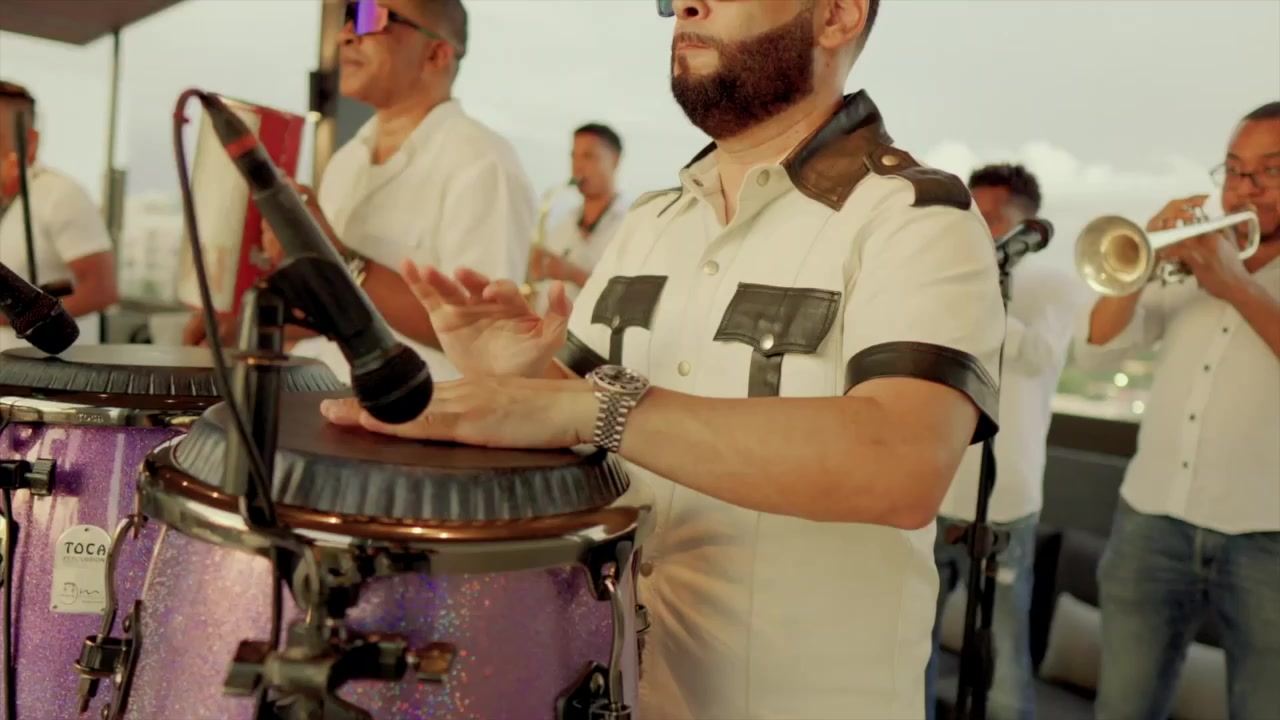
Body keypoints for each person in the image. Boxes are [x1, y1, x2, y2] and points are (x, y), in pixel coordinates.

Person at [322, 0, 1006, 717]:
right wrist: (520, 374)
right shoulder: (652, 222)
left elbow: (901, 461)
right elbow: (592, 427)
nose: (684, 5)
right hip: (618, 692)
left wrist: (591, 406)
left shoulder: (915, 215)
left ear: (836, 15)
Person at [183, 0, 535, 383]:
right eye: (348, 16)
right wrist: (247, 324)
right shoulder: (348, 160)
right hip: (329, 398)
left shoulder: (483, 163)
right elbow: (343, 314)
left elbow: (484, 335)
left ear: (435, 54)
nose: (345, 35)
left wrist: (338, 258)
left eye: (370, 17)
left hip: (423, 409)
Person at [1072, 101, 1280, 720]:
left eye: (1269, 170)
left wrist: (1236, 285)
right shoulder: (1194, 258)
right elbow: (1094, 351)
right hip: (1151, 522)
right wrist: (1143, 261)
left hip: (1268, 535)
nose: (1244, 188)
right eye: (1234, 170)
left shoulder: (1219, 269)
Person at [925, 164, 1082, 720]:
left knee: (1006, 662)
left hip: (1004, 502)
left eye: (991, 218)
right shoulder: (945, 278)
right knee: (911, 648)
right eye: (970, 214)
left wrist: (982, 300)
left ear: (1026, 225)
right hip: (931, 491)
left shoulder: (1052, 284)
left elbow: (1040, 356)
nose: (977, 226)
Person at [0, 81, 119, 350]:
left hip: (50, 368)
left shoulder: (61, 194)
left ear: (30, 140)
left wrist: (20, 319)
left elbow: (102, 290)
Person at [528, 123, 627, 300]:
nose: (578, 167)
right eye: (574, 156)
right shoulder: (560, 229)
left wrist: (573, 274)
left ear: (615, 160)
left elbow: (630, 299)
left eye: (588, 156)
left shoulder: (632, 227)